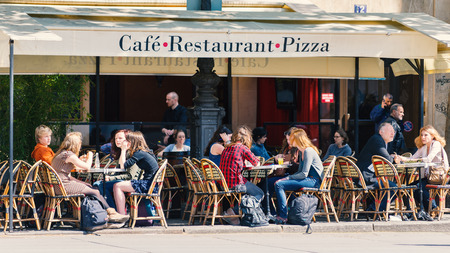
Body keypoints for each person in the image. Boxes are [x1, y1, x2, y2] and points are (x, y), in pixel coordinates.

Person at [51, 132, 129, 224]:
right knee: (95, 191)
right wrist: (91, 155)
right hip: (63, 187)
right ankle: (111, 213)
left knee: (94, 188)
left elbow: (68, 176)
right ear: (76, 144)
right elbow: (87, 167)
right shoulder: (68, 155)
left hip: (58, 186)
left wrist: (82, 183)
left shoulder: (61, 154)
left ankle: (106, 213)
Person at [272, 128, 323, 224]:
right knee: (278, 183)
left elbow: (304, 173)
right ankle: (284, 213)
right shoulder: (301, 151)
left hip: (313, 181)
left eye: (292, 139)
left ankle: (283, 216)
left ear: (298, 140)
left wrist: (288, 178)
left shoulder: (308, 151)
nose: (289, 141)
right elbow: (300, 172)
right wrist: (287, 178)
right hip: (308, 179)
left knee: (279, 185)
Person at [397, 125, 449, 216]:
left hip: (439, 177)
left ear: (432, 136)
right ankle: (421, 210)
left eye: (426, 135)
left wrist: (409, 160)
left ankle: (433, 208)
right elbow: (413, 158)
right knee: (410, 188)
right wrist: (401, 158)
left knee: (418, 187)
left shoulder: (436, 144)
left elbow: (428, 159)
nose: (423, 137)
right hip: (429, 177)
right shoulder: (424, 147)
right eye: (421, 135)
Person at [220, 125, 263, 224]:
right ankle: (233, 211)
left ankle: (237, 213)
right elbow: (256, 163)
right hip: (237, 184)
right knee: (259, 193)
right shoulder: (242, 148)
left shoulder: (226, 148)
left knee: (249, 192)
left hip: (224, 185)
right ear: (247, 138)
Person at [113, 131, 160, 218]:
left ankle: (121, 216)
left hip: (148, 185)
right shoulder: (143, 152)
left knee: (117, 186)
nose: (125, 142)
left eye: (127, 140)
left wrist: (123, 150)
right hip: (151, 184)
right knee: (118, 185)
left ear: (132, 141)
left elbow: (123, 166)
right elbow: (122, 165)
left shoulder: (139, 153)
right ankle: (122, 214)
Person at [93, 129, 141, 209]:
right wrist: (108, 177)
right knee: (98, 184)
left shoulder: (133, 154)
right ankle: (109, 210)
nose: (117, 140)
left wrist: (111, 178)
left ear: (128, 139)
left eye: (120, 138)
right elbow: (118, 170)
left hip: (133, 183)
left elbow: (130, 176)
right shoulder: (122, 152)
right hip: (123, 181)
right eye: (115, 138)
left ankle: (112, 210)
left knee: (100, 185)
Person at [356, 123, 397, 212]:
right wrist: (394, 158)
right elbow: (387, 159)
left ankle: (372, 209)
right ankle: (375, 210)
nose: (392, 134)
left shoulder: (382, 142)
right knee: (394, 188)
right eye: (390, 131)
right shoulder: (377, 140)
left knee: (389, 186)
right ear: (380, 132)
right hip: (366, 177)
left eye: (393, 132)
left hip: (370, 175)